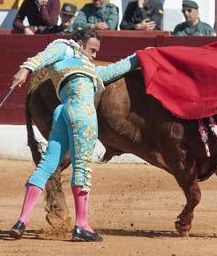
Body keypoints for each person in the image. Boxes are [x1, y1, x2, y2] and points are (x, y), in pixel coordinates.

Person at [8, 28, 140, 242]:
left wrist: (137, 58)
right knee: (82, 167)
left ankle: (22, 220)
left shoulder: (89, 68)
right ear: (79, 43)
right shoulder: (64, 48)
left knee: (46, 166)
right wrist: (25, 70)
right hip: (82, 112)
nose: (95, 55)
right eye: (92, 50)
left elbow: (112, 71)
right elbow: (42, 57)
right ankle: (81, 225)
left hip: (63, 111)